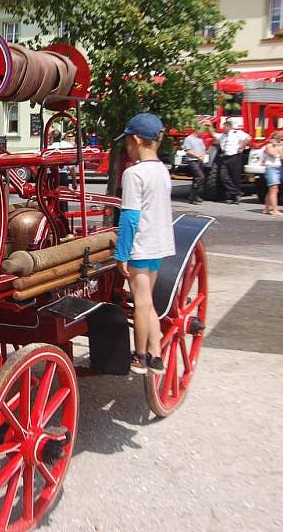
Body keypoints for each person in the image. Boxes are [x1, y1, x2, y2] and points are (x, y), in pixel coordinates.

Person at [112, 113, 175, 375]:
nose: (126, 146)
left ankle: (139, 355)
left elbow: (129, 217)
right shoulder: (163, 171)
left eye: (127, 141)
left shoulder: (133, 173)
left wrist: (121, 254)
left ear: (136, 139)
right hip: (159, 243)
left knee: (140, 302)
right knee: (147, 301)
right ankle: (157, 355)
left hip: (140, 245)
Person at [215, 120, 250, 204]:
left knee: (235, 177)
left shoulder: (236, 133)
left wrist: (241, 146)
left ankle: (233, 197)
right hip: (225, 157)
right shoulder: (222, 136)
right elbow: (213, 134)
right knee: (223, 176)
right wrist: (208, 126)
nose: (223, 129)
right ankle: (236, 193)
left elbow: (248, 138)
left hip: (234, 157)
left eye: (225, 127)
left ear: (229, 127)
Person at [262, 132, 283, 216]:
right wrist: (276, 147)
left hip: (277, 168)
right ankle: (275, 210)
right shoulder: (268, 146)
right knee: (274, 188)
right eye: (277, 139)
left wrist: (279, 148)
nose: (279, 141)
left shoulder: (279, 147)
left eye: (280, 139)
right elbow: (273, 154)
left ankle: (266, 209)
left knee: (272, 189)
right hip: (271, 168)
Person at [182, 128, 206, 205]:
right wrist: (198, 156)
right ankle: (192, 197)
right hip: (192, 160)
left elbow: (203, 150)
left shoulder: (200, 140)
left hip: (199, 161)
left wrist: (203, 156)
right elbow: (188, 151)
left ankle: (196, 196)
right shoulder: (189, 139)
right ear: (197, 130)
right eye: (202, 130)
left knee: (196, 179)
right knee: (200, 177)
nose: (203, 132)